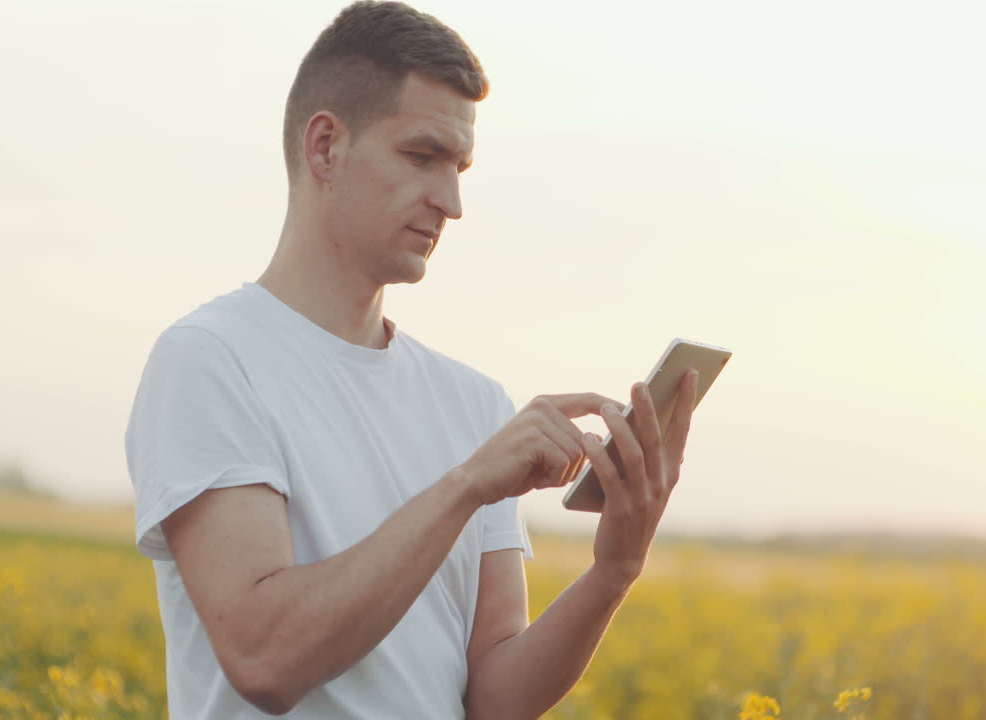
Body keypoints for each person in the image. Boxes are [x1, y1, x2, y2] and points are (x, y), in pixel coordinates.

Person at [124, 2, 700, 717]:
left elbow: (491, 699)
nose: (452, 201)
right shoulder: (210, 361)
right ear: (326, 147)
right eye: (422, 156)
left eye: (459, 167)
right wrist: (465, 486)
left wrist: (615, 570)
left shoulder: (474, 402)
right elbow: (264, 658)